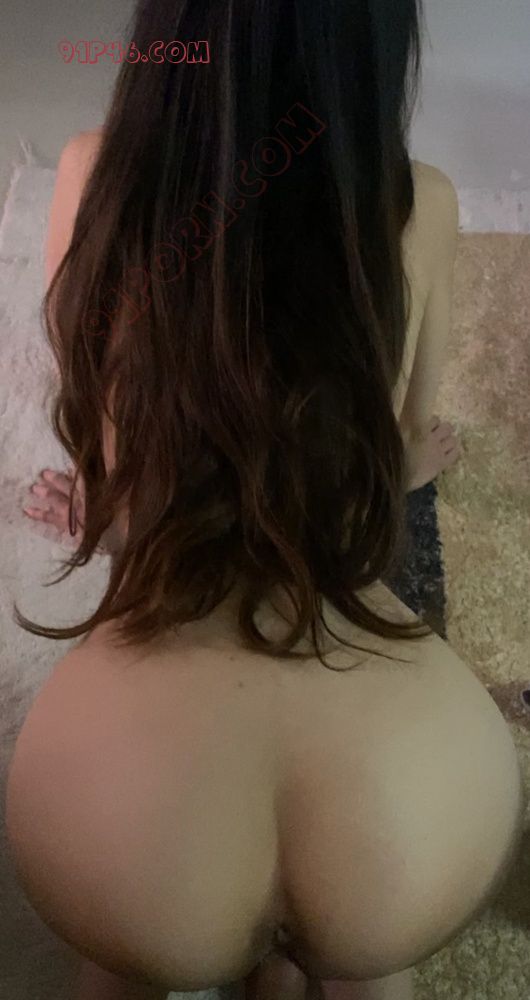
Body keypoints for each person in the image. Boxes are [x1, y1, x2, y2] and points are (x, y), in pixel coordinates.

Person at [6, 2, 524, 999]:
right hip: (405, 803)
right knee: (354, 962)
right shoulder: (420, 201)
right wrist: (404, 462)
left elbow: (103, 444)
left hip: (135, 822)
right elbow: (397, 452)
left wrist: (103, 502)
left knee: (128, 949)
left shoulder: (91, 173)